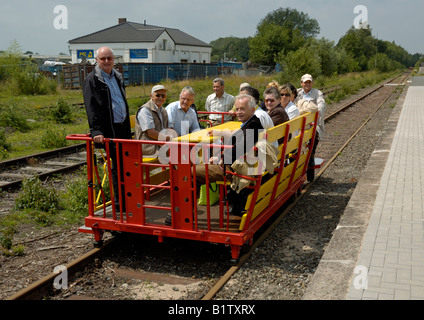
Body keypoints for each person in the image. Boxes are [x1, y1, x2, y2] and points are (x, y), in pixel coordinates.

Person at [196, 94, 264, 216]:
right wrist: (219, 156)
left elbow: (240, 148)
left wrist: (222, 158)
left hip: (236, 169)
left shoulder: (253, 126)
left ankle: (183, 213)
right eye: (237, 109)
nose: (238, 112)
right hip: (242, 164)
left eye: (242, 109)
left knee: (190, 173)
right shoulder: (252, 123)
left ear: (253, 110)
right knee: (195, 170)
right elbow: (238, 146)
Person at [83, 46, 132, 212]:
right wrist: (96, 130)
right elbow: (92, 107)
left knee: (127, 165)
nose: (106, 61)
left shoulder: (116, 77)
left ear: (113, 60)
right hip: (109, 130)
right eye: (102, 58)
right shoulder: (93, 80)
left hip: (122, 128)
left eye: (109, 58)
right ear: (97, 60)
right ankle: (120, 205)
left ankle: (129, 199)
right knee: (117, 167)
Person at [296, 74, 326, 182]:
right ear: (301, 83)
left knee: (313, 138)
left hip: (313, 124)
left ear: (312, 83)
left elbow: (322, 104)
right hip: (299, 124)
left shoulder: (317, 93)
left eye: (309, 82)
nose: (307, 84)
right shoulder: (297, 92)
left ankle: (311, 159)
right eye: (305, 82)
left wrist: (317, 112)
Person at [134, 85, 170, 155]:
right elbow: (151, 133)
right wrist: (169, 139)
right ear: (151, 96)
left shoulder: (163, 110)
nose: (160, 98)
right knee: (179, 153)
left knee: (183, 150)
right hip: (148, 147)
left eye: (163, 96)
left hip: (159, 144)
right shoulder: (145, 110)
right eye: (157, 95)